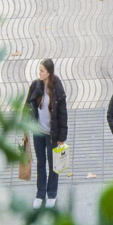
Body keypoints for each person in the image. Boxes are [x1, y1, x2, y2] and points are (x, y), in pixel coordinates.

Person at [25, 57, 68, 207]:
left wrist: (62, 137)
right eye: (39, 70)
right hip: (38, 132)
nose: (39, 73)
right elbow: (28, 105)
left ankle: (52, 193)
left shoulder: (58, 90)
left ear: (49, 73)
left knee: (54, 165)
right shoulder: (36, 86)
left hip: (52, 135)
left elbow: (63, 115)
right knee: (40, 163)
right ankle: (40, 193)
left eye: (42, 71)